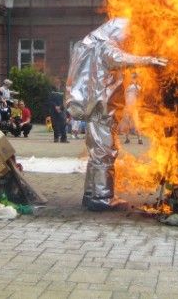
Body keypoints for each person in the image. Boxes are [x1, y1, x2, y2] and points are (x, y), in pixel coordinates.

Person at [66, 18, 167, 211]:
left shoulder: (92, 46)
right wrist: (150, 60)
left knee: (97, 153)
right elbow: (121, 58)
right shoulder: (105, 47)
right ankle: (102, 198)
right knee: (105, 153)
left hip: (97, 110)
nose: (128, 40)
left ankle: (91, 194)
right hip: (101, 111)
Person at [122, 72, 143, 144]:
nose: (132, 79)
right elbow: (125, 96)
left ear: (136, 78)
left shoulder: (137, 87)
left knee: (137, 124)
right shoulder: (127, 87)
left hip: (134, 108)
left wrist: (135, 84)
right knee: (127, 123)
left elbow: (139, 93)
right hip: (127, 108)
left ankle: (140, 139)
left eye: (133, 77)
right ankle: (127, 139)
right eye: (131, 78)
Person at [48, 79, 68, 143]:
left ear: (60, 83)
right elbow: (49, 100)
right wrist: (55, 106)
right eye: (56, 82)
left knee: (63, 124)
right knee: (54, 124)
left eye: (58, 82)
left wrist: (60, 107)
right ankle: (56, 138)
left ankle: (63, 138)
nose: (57, 83)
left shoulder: (63, 91)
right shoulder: (51, 91)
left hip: (61, 110)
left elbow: (65, 100)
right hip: (53, 110)